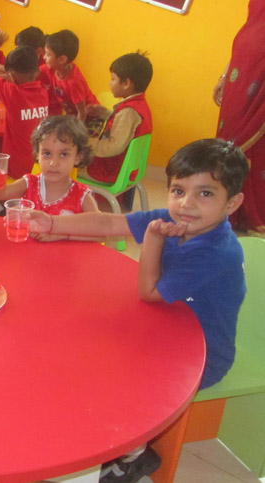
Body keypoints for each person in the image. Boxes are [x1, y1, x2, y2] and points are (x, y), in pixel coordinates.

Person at [29, 138, 248, 482]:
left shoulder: (216, 252)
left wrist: (153, 239)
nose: (186, 204)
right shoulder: (172, 218)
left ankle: (133, 455)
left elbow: (149, 292)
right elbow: (108, 224)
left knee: (118, 382)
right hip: (164, 329)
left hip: (203, 357)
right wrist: (52, 224)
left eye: (205, 193)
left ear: (232, 203)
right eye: (178, 191)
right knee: (86, 345)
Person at [0, 116, 99, 242]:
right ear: (37, 155)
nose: (53, 163)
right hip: (29, 252)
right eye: (47, 153)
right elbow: (0, 194)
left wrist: (62, 235)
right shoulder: (29, 183)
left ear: (78, 157)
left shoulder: (82, 196)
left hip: (66, 254)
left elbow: (99, 232)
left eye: (64, 154)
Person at [213, 0, 265, 236]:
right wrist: (225, 76)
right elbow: (248, 31)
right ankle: (224, 205)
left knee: (257, 148)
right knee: (228, 140)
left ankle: (250, 213)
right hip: (241, 75)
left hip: (261, 83)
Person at [0, 31, 50, 179]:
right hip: (37, 164)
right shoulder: (43, 92)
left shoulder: (13, 93)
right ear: (37, 72)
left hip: (15, 168)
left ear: (12, 76)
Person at [85, 52, 153, 184]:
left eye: (113, 79)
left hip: (109, 172)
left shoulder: (129, 112)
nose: (110, 83)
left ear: (126, 83)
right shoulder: (139, 105)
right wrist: (106, 114)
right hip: (125, 169)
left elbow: (113, 147)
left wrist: (86, 143)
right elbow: (124, 128)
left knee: (69, 165)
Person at [44, 29, 100, 122]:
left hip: (90, 118)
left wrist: (75, 130)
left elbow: (82, 113)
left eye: (48, 54)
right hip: (74, 115)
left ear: (62, 59)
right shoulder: (57, 68)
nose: (44, 57)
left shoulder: (74, 82)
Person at [15, 26, 62, 116]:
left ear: (39, 51)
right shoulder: (21, 63)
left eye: (22, 52)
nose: (19, 55)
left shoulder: (51, 68)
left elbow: (56, 105)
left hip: (48, 115)